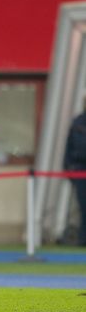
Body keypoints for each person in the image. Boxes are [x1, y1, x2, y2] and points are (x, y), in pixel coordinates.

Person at [64, 106, 86, 247]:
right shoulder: (78, 122)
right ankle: (83, 239)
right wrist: (68, 168)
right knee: (83, 206)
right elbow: (69, 148)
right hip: (80, 170)